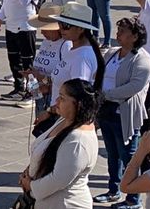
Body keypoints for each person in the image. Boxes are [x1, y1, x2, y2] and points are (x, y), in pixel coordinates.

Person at [95, 16, 150, 207]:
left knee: (129, 156)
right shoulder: (112, 53)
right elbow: (99, 73)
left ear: (135, 36)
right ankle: (114, 189)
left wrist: (106, 94)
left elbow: (134, 86)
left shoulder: (142, 60)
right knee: (112, 154)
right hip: (106, 111)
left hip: (125, 113)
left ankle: (133, 199)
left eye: (122, 32)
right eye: (118, 31)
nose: (118, 35)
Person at [19, 79, 101, 209]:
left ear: (78, 104)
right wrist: (29, 172)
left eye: (62, 98)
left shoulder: (78, 141)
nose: (56, 101)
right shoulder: (65, 120)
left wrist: (30, 185)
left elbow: (58, 180)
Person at [0, 0, 40, 102]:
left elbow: (24, 0)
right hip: (11, 26)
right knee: (14, 59)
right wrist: (0, 17)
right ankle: (19, 87)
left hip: (26, 27)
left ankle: (32, 92)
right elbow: (7, 2)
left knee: (28, 62)